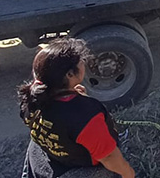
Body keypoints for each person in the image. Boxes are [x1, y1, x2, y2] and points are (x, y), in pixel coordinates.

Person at [18, 38, 135, 178]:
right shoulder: (86, 116)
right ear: (70, 75)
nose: (84, 63)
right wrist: (128, 173)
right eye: (82, 62)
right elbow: (109, 157)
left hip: (48, 156)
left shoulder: (31, 98)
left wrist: (75, 97)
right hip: (76, 167)